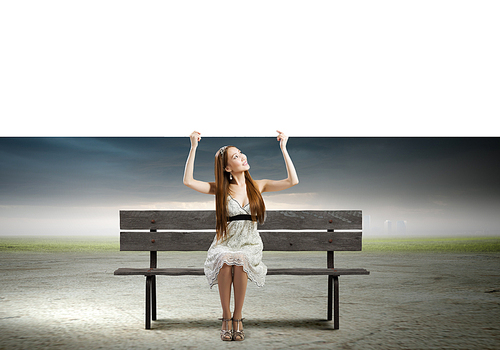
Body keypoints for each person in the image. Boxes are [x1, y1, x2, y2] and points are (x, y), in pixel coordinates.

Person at [183, 130, 299, 341]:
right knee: (227, 259)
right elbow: (188, 181)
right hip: (225, 242)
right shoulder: (220, 188)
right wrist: (193, 147)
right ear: (227, 167)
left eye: (241, 153)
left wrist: (284, 148)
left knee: (241, 259)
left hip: (249, 242)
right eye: (236, 156)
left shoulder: (259, 185)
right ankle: (226, 317)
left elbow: (293, 180)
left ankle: (238, 317)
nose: (242, 157)